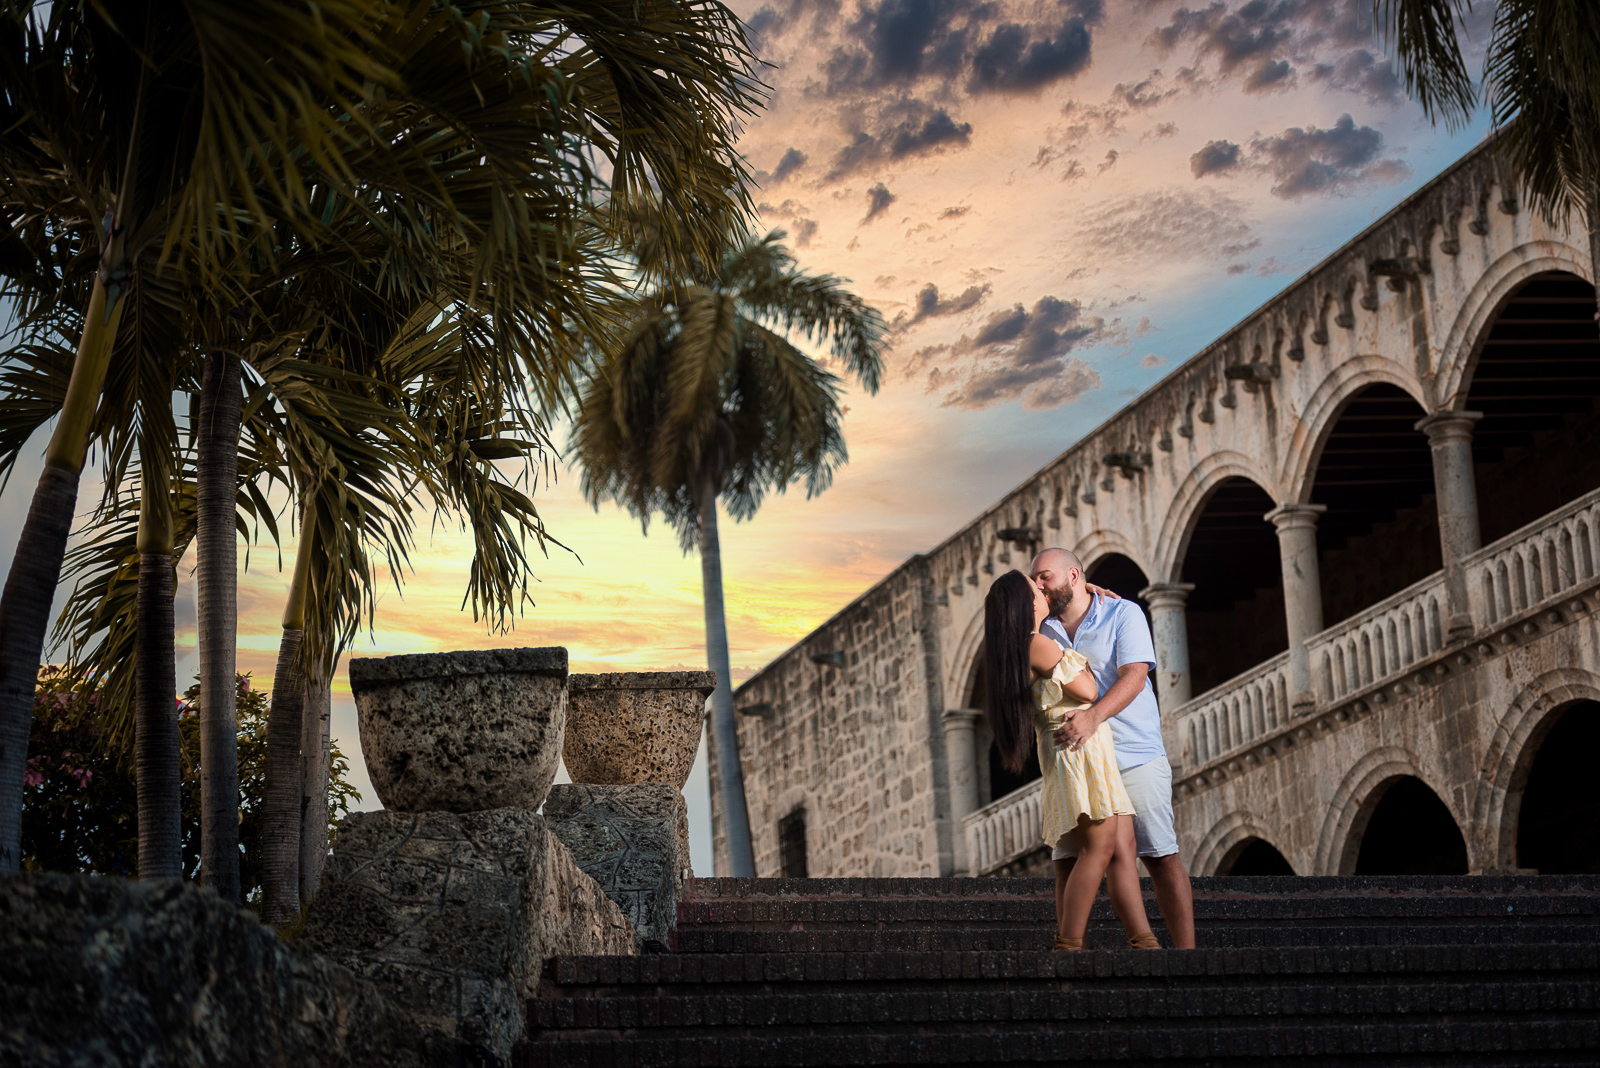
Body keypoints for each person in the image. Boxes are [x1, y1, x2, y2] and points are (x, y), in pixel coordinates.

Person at [983, 570, 1159, 951]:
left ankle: (1144, 941)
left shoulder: (1024, 644)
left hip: (1087, 750)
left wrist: (1085, 591)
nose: (1043, 589)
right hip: (1079, 752)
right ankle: (1069, 943)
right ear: (1027, 604)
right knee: (1098, 849)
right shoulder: (1037, 644)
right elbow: (1089, 688)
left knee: (1121, 848)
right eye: (1036, 589)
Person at [1030, 547, 1197, 949]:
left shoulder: (1123, 613)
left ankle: (1188, 956)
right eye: (1033, 580)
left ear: (1073, 576)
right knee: (1067, 861)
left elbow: (1136, 677)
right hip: (1078, 761)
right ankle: (1071, 954)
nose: (1038, 585)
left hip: (1133, 753)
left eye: (1045, 577)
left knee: (1159, 855)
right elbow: (1005, 596)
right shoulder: (1042, 629)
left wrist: (1093, 717)